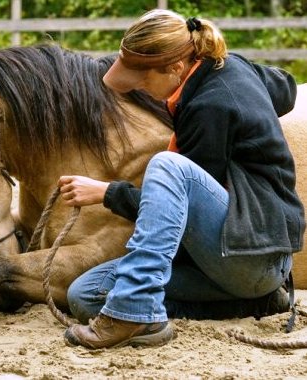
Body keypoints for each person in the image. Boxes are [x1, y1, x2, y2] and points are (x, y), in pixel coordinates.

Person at [58, 9, 305, 349]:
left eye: (145, 80)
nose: (141, 89)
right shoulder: (227, 66)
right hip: (232, 265)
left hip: (250, 256)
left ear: (176, 67)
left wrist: (108, 193)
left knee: (168, 166)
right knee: (86, 296)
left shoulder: (210, 107)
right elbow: (286, 88)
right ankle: (255, 303)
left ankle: (133, 308)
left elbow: (179, 209)